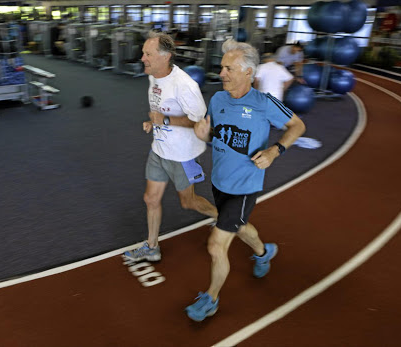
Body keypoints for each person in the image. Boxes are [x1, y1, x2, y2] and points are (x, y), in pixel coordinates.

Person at [185, 39, 306, 322]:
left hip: (245, 185)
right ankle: (263, 252)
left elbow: (297, 125)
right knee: (240, 227)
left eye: (229, 68)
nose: (222, 73)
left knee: (216, 245)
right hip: (219, 180)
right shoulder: (216, 99)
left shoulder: (264, 104)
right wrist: (204, 135)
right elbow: (215, 133)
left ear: (248, 72)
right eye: (222, 67)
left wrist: (275, 150)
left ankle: (211, 299)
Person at [124, 31, 218, 262]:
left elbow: (200, 122)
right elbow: (160, 110)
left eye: (148, 54)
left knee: (189, 202)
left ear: (165, 57)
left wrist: (164, 121)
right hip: (159, 149)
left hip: (182, 155)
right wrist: (153, 122)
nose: (142, 58)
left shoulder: (184, 85)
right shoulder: (154, 76)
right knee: (150, 199)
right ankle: (152, 246)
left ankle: (221, 216)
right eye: (143, 53)